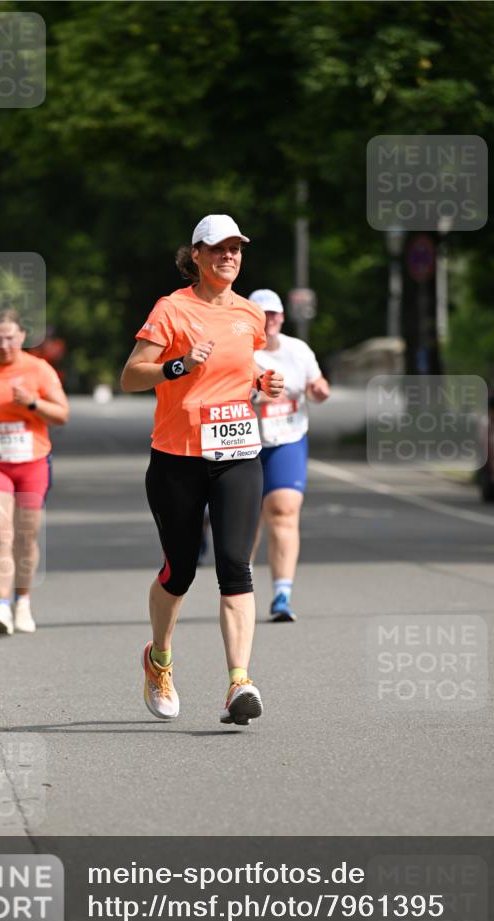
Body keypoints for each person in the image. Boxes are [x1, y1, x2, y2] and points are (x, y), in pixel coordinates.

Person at [120, 214, 284, 725]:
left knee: (237, 565)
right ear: (196, 255)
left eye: (235, 249)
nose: (228, 257)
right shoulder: (172, 309)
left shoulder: (250, 314)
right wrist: (179, 365)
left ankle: (240, 682)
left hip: (238, 453)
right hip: (176, 459)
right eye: (217, 249)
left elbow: (240, 366)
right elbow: (130, 376)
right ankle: (159, 659)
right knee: (181, 570)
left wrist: (264, 381)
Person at [0, 309, 69, 635]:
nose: (4, 344)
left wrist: (32, 403)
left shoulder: (39, 370)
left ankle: (22, 602)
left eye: (10, 337)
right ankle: (1, 607)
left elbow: (62, 415)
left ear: (22, 337)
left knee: (26, 535)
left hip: (32, 462)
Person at [249, 288, 330, 622]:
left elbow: (317, 383)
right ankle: (241, 589)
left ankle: (282, 594)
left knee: (283, 510)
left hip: (288, 439)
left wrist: (319, 390)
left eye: (274, 314)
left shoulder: (298, 350)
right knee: (247, 521)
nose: (269, 320)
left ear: (282, 317)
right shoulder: (239, 350)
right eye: (262, 314)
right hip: (245, 444)